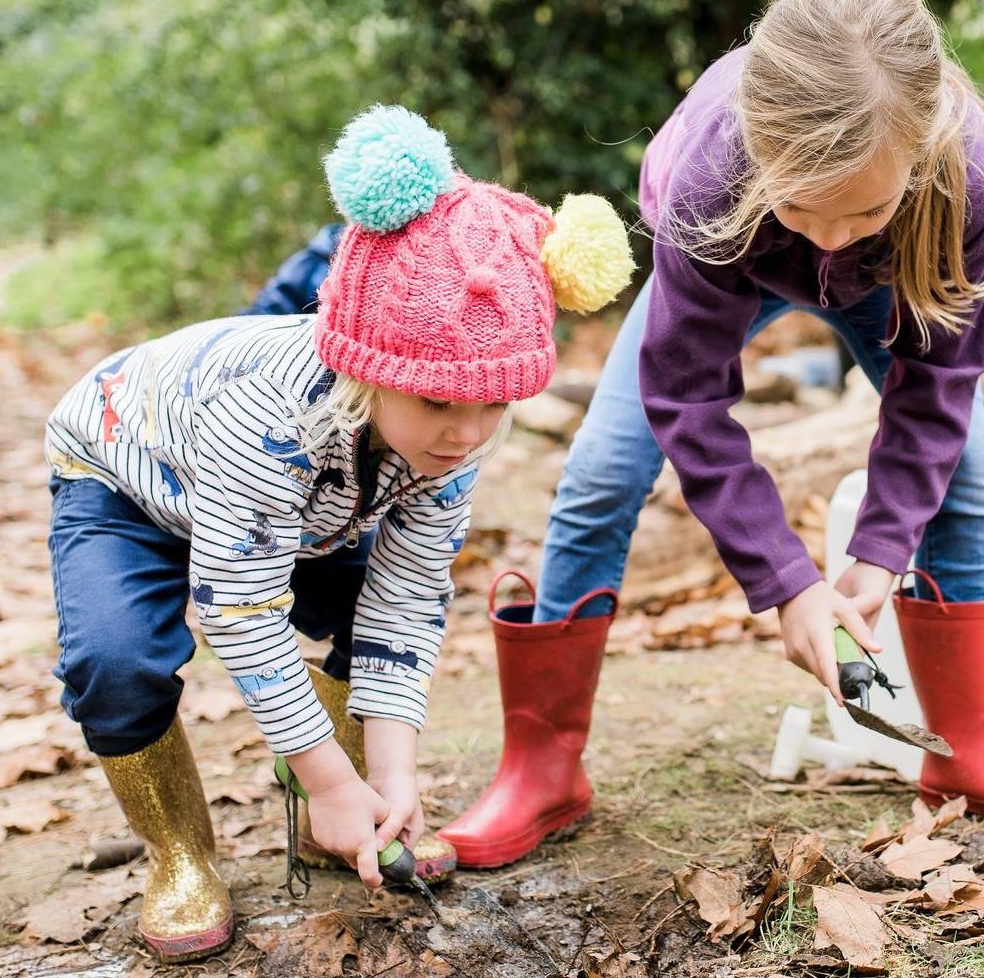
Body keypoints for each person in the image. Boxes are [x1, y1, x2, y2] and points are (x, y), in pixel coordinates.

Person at [436, 0, 984, 872]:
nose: (831, 237)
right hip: (734, 252)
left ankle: (969, 752)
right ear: (764, 156)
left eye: (864, 207)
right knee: (601, 469)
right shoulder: (713, 176)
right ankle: (543, 764)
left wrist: (878, 551)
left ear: (918, 159)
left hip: (891, 278)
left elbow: (940, 383)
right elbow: (687, 398)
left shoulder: (965, 182)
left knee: (969, 464)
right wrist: (787, 581)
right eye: (808, 207)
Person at [43, 104, 632, 960]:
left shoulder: (447, 435)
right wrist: (325, 774)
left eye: (493, 407)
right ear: (374, 371)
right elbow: (241, 612)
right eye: (438, 404)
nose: (467, 435)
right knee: (115, 660)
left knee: (367, 602)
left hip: (314, 492)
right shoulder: (267, 415)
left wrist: (393, 778)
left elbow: (406, 602)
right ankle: (181, 853)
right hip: (126, 475)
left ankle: (353, 808)